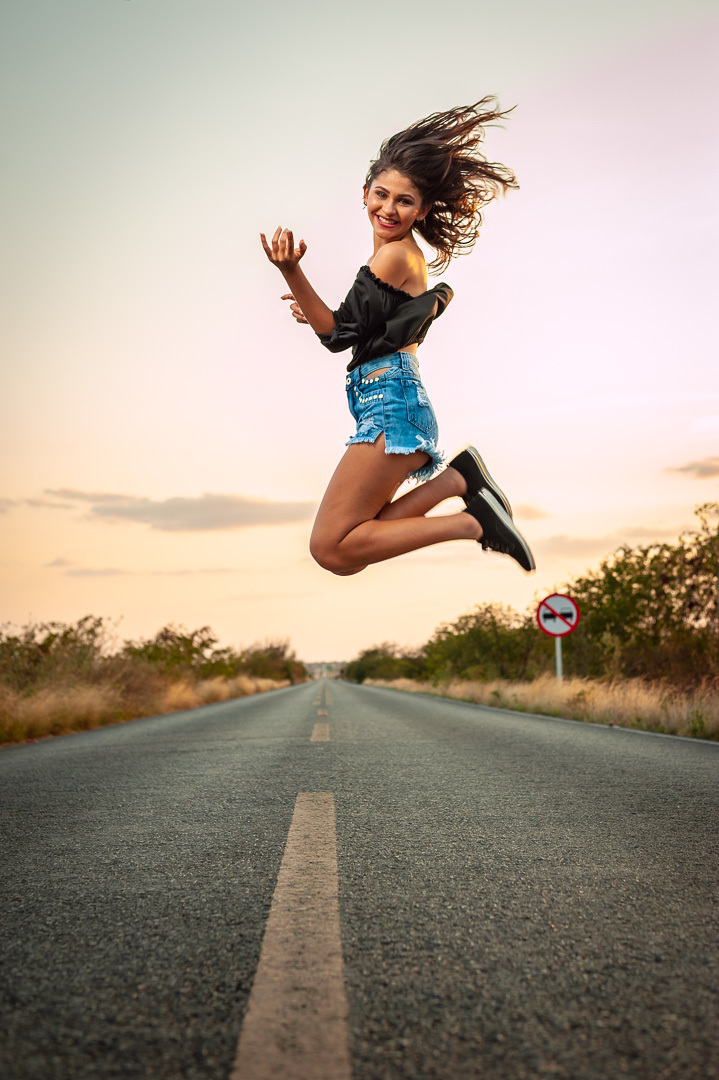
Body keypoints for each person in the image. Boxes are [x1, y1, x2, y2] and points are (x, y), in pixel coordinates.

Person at [260, 98, 535, 578]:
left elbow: (337, 335)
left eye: (404, 201)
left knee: (332, 548)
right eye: (381, 194)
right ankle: (456, 480)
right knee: (344, 550)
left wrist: (290, 270)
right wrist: (315, 312)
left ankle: (473, 523)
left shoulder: (394, 256)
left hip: (390, 402)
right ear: (364, 192)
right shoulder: (395, 255)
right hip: (390, 399)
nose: (388, 209)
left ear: (422, 209)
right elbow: (349, 325)